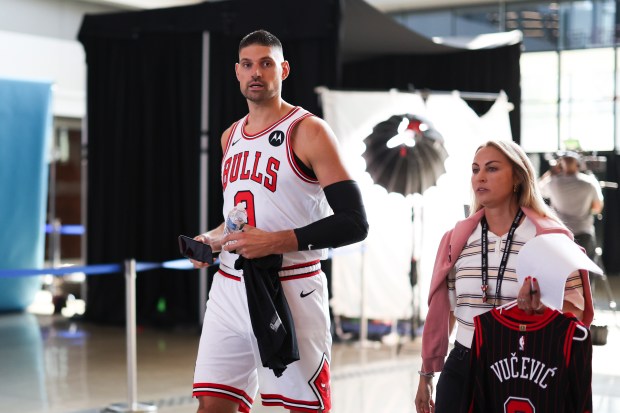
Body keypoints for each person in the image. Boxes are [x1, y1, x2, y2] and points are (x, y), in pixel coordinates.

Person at [188, 29, 368, 413]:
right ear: (237, 72)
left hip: (292, 287)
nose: (257, 72)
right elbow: (237, 221)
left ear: (283, 69)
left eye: (266, 63)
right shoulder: (229, 137)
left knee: (302, 408)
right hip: (231, 286)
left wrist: (275, 242)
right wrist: (213, 238)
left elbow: (354, 222)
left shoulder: (309, 131)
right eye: (248, 64)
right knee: (212, 406)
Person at [414, 140, 594, 413]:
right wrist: (426, 374)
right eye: (475, 170)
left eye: (492, 168)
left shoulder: (549, 239)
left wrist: (541, 311)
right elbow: (444, 312)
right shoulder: (456, 239)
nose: (480, 177)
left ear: (518, 178)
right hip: (462, 362)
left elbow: (575, 311)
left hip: (522, 366)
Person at [539, 151, 604, 260]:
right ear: (578, 164)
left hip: (561, 233)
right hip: (584, 232)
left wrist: (551, 171)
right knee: (586, 271)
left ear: (560, 165)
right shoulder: (590, 183)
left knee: (562, 270)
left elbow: (537, 189)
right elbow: (597, 208)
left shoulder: (552, 182)